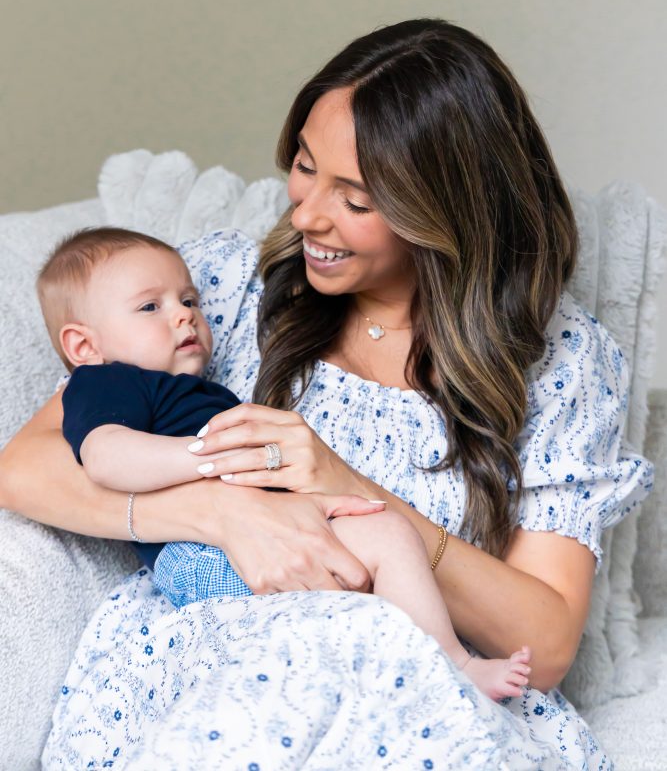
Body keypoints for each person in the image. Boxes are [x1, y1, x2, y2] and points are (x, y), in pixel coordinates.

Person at [0, 19, 652, 769]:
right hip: (228, 661)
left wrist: (347, 484)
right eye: (305, 166)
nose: (307, 214)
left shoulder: (558, 362)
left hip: (409, 682)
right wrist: (218, 510)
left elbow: (546, 644)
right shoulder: (214, 293)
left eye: (356, 198)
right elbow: (26, 467)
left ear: (445, 208)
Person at [37, 225, 531, 701]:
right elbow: (104, 457)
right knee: (367, 571)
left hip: (266, 537)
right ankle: (439, 668)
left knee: (390, 539)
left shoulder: (202, 391)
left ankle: (443, 665)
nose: (185, 316)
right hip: (200, 554)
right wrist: (207, 456)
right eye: (150, 306)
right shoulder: (107, 382)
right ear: (85, 346)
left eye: (190, 301)